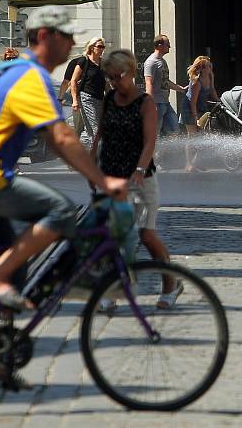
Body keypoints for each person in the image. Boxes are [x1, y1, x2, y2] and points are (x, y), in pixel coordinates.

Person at [0, 5, 126, 379]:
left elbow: (54, 139)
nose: (72, 43)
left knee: (11, 267)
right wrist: (103, 180)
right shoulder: (30, 76)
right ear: (44, 37)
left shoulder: (13, 70)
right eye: (66, 35)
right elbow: (60, 136)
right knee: (60, 210)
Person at [93, 48, 183, 310]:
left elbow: (149, 142)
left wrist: (140, 171)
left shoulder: (146, 103)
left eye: (117, 76)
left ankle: (171, 283)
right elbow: (101, 132)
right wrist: (92, 162)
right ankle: (113, 290)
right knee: (116, 236)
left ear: (131, 72)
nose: (113, 81)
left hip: (142, 179)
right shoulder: (110, 98)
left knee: (146, 234)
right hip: (113, 177)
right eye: (109, 77)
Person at [179, 56, 218, 172]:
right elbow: (193, 102)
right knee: (192, 136)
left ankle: (196, 162)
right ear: (202, 69)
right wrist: (195, 118)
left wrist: (218, 100)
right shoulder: (196, 81)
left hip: (201, 107)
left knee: (202, 136)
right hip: (189, 108)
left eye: (211, 65)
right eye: (208, 66)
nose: (211, 67)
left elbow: (212, 89)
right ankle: (189, 164)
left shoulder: (210, 76)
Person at [144, 34, 186, 137]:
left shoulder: (162, 61)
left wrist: (180, 89)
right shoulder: (151, 62)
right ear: (159, 45)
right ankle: (152, 153)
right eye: (167, 44)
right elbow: (148, 83)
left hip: (165, 103)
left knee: (174, 129)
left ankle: (165, 152)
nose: (169, 47)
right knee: (155, 134)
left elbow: (165, 81)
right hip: (157, 103)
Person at [70, 37, 108, 149]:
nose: (102, 49)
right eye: (99, 47)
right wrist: (75, 100)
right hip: (87, 97)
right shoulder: (84, 61)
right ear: (92, 47)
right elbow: (73, 80)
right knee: (96, 129)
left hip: (100, 98)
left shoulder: (103, 63)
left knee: (95, 130)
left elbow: (106, 83)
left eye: (103, 47)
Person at [60, 52, 85, 138]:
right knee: (78, 128)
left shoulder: (101, 63)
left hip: (96, 99)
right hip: (78, 97)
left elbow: (106, 83)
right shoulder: (75, 62)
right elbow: (66, 82)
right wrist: (60, 99)